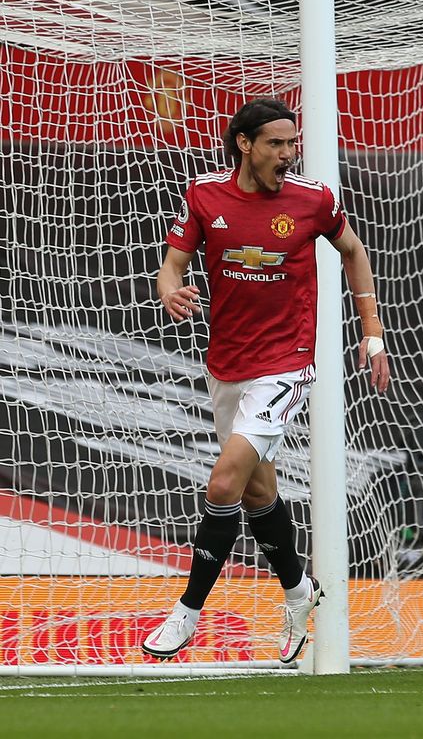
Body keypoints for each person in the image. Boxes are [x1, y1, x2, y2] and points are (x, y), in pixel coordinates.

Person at [142, 98, 392, 662]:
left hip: (286, 363)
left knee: (224, 483)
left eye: (290, 142)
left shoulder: (312, 201)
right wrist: (168, 288)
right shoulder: (205, 196)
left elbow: (353, 252)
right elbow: (174, 263)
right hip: (226, 364)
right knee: (258, 491)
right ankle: (301, 592)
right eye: (275, 143)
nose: (287, 153)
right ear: (245, 145)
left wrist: (371, 330)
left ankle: (186, 614)